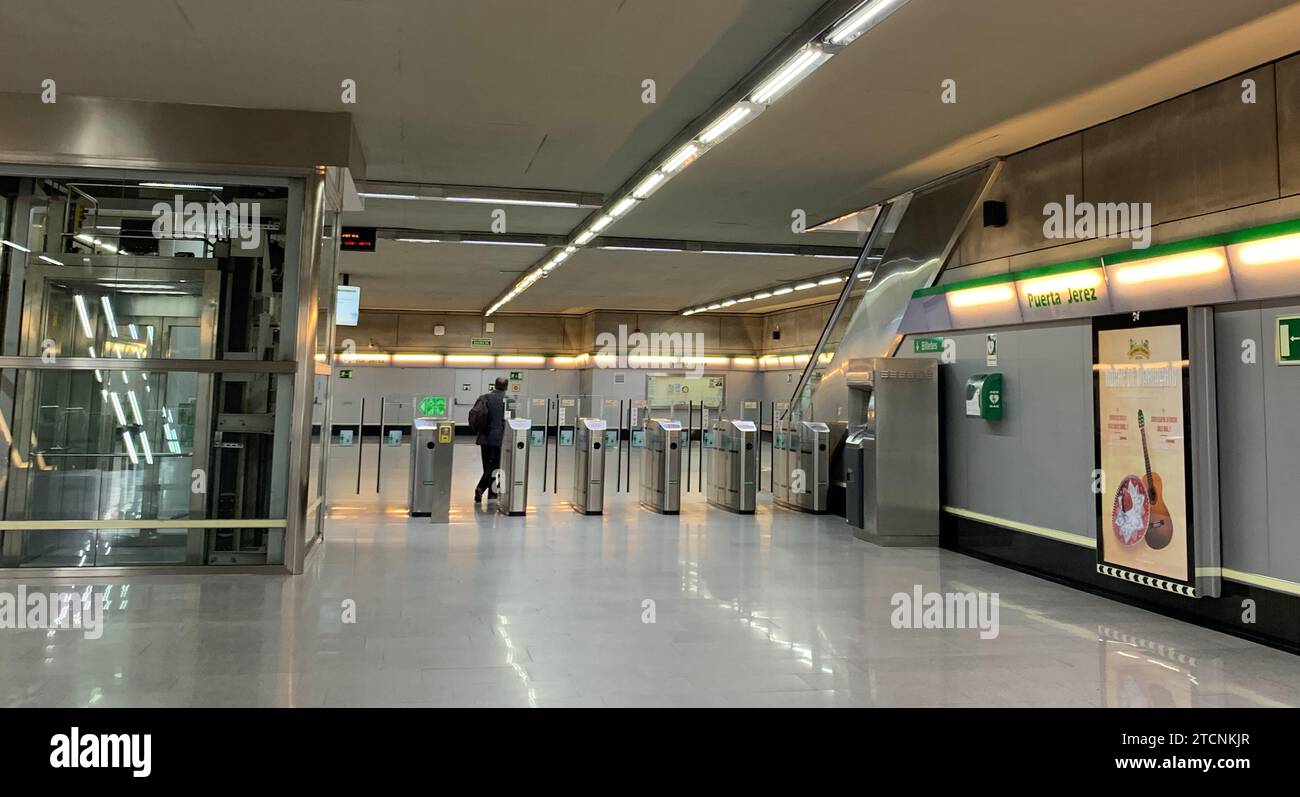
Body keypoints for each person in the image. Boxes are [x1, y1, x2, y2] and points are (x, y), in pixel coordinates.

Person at [471, 377, 508, 503]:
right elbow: (510, 422)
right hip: (500, 438)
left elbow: (475, 415)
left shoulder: (484, 397)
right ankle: (483, 488)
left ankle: (492, 493)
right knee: (496, 466)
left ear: (495, 385)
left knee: (487, 465)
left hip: (484, 437)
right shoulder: (509, 401)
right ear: (506, 386)